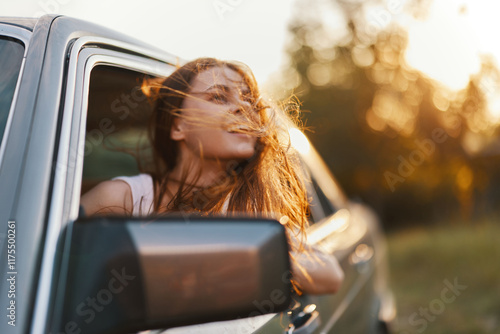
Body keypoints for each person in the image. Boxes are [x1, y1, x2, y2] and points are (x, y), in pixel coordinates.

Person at [81, 57, 343, 295]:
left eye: (248, 100)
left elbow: (331, 275)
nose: (243, 108)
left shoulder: (251, 207)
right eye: (218, 97)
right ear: (177, 126)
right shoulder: (123, 198)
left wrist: (254, 256)